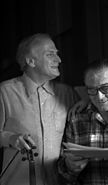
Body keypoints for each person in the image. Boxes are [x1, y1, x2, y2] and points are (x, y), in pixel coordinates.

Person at [0, 33, 79, 185]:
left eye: (57, 54)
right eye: (50, 54)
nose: (59, 60)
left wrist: (87, 104)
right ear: (31, 61)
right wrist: (10, 138)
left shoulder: (67, 94)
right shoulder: (4, 92)